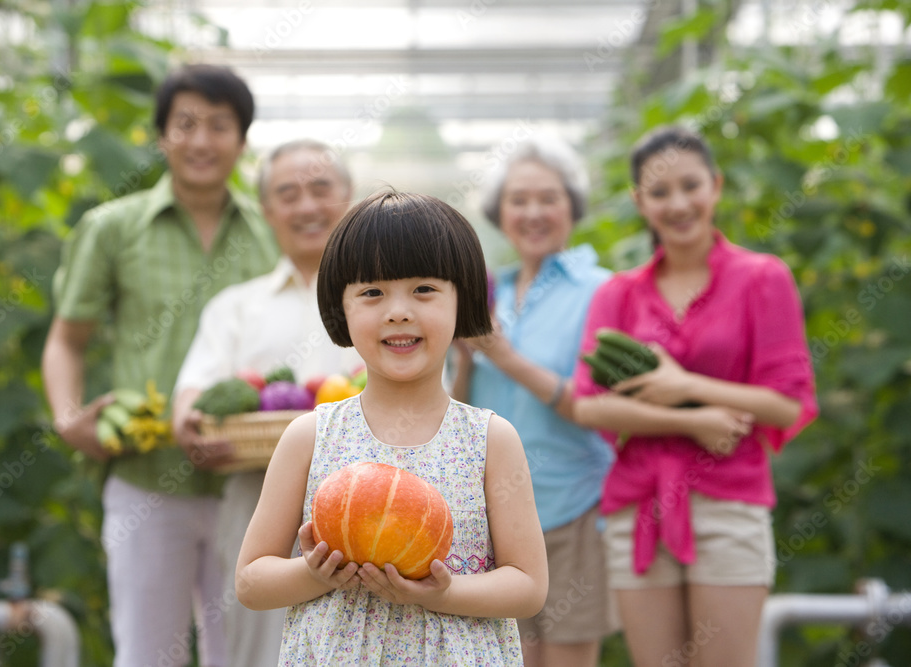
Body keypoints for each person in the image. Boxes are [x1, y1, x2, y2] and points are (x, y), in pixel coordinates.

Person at [236, 191, 549, 665]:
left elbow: (527, 586)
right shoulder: (310, 436)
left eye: (424, 289)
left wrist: (441, 594)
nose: (398, 310)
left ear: (462, 301)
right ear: (340, 309)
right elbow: (251, 581)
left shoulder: (489, 439)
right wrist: (316, 575)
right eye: (372, 292)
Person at [41, 64, 279, 667]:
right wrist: (70, 421)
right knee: (147, 654)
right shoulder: (113, 229)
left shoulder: (271, 233)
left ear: (242, 141)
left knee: (248, 656)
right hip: (147, 481)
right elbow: (67, 339)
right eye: (186, 124)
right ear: (161, 136)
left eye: (220, 126)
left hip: (250, 484)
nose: (202, 141)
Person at [571, 125, 818, 667]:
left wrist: (685, 386)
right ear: (639, 201)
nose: (678, 204)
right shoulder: (619, 293)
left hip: (728, 500)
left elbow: (788, 404)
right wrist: (694, 420)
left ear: (716, 185)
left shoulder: (762, 279)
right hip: (639, 503)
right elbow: (588, 404)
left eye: (691, 186)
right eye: (659, 193)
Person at [171, 139, 362, 666]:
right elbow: (195, 390)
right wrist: (188, 422)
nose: (307, 206)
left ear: (348, 198)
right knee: (256, 649)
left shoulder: (379, 296)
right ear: (268, 210)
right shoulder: (236, 307)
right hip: (258, 504)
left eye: (321, 188)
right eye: (288, 193)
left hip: (375, 499)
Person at [451, 136, 618, 667]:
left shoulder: (600, 291)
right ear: (499, 212)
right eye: (518, 200)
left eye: (549, 198)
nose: (533, 212)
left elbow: (600, 407)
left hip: (570, 507)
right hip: (492, 517)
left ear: (573, 206)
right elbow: (459, 413)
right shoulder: (487, 292)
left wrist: (503, 353)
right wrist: (469, 357)